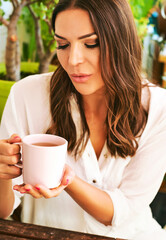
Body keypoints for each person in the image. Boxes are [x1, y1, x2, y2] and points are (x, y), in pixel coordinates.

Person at [0, 0, 166, 239]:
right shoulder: (26, 95)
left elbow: (124, 211)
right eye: (62, 44)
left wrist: (66, 179)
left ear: (121, 42)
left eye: (91, 44)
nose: (73, 60)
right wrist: (2, 173)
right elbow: (3, 212)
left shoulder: (159, 108)